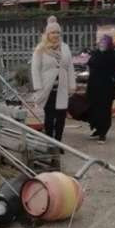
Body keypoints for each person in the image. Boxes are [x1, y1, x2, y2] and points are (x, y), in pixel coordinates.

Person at [31, 16, 77, 156]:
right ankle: (50, 143)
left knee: (61, 118)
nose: (55, 35)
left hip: (62, 88)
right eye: (52, 33)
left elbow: (69, 67)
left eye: (58, 32)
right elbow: (35, 68)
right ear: (47, 34)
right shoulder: (41, 49)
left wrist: (72, 85)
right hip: (47, 88)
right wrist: (38, 86)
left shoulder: (65, 48)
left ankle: (59, 143)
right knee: (49, 118)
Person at [86, 34, 115, 144]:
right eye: (101, 42)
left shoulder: (114, 55)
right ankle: (97, 129)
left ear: (109, 44)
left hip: (106, 87)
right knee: (94, 109)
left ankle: (103, 133)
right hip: (94, 86)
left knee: (104, 110)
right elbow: (90, 64)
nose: (102, 45)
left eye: (104, 43)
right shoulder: (95, 53)